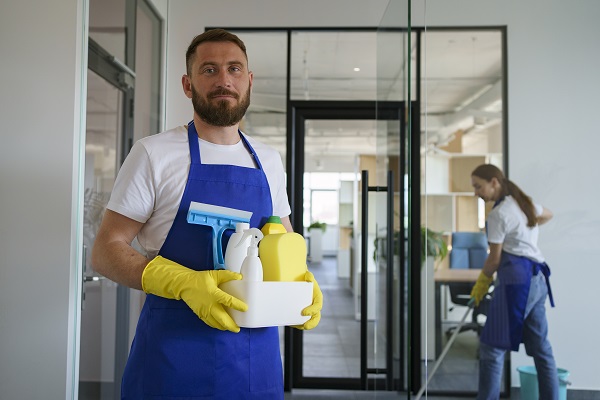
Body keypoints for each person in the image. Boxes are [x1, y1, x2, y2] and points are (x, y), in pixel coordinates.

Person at [91, 28, 323, 400]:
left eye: (234, 69)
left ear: (249, 81)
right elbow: (105, 250)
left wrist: (301, 283)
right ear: (188, 84)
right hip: (171, 363)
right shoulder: (154, 154)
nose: (224, 80)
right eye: (209, 70)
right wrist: (180, 282)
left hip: (254, 365)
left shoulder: (269, 161)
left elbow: (283, 244)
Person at [469, 164, 558, 400]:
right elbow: (548, 213)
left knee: (492, 348)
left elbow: (494, 260)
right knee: (541, 348)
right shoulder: (523, 204)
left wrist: (480, 285)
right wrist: (526, 228)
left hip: (518, 282)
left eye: (478, 186)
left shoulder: (498, 215)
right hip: (538, 279)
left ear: (494, 182)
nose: (476, 192)